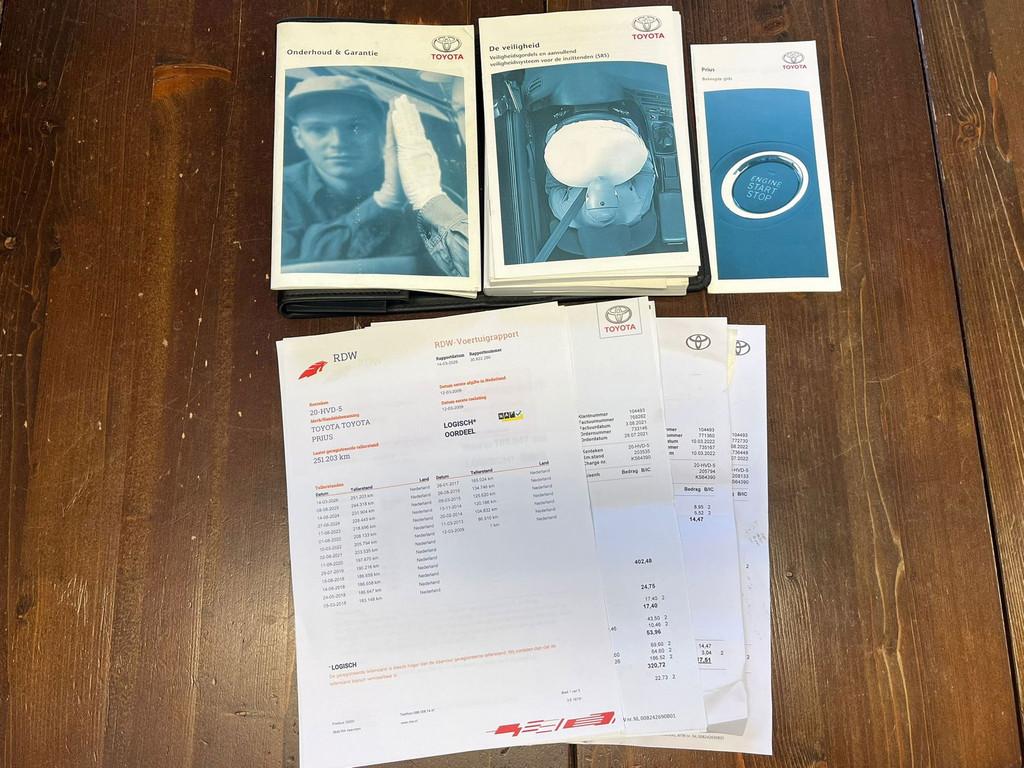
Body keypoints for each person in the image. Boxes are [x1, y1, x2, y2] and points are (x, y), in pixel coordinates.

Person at [282, 75, 469, 277]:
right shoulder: (276, 192)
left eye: (355, 127)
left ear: (382, 130)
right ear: (298, 137)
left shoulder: (427, 186)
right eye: (318, 129)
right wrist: (384, 201)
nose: (338, 142)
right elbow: (287, 263)